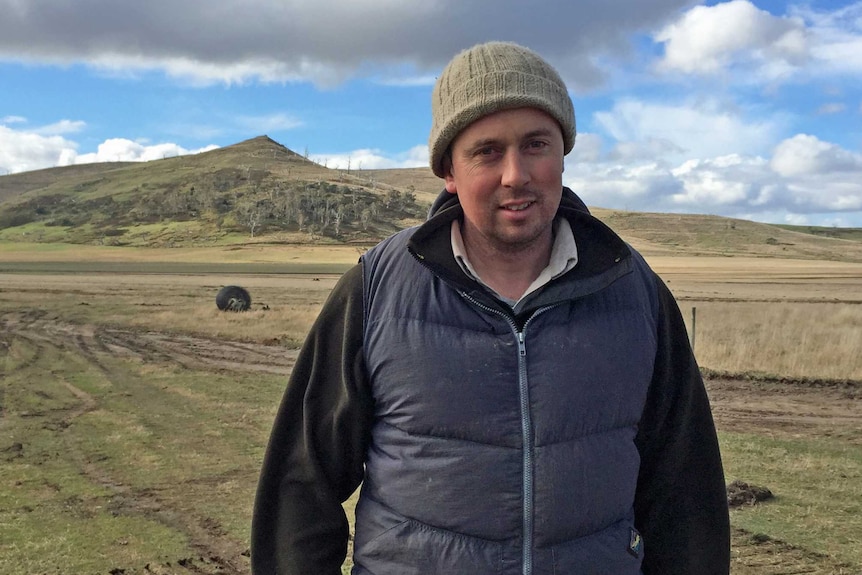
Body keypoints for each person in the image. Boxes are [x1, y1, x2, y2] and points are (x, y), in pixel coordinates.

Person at [251, 41, 730, 575]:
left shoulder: (633, 289)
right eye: (486, 151)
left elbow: (686, 497)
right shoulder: (377, 290)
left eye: (535, 144)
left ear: (562, 153)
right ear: (449, 172)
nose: (515, 175)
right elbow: (302, 484)